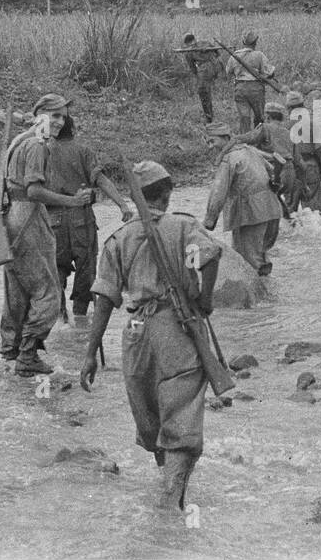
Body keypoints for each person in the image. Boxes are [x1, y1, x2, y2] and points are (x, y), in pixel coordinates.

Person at [79, 160, 222, 512]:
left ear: (135, 197)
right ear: (168, 194)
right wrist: (205, 298)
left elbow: (104, 299)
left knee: (152, 416)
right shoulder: (184, 227)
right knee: (181, 413)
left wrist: (90, 352)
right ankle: (171, 499)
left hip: (136, 334)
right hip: (176, 328)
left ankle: (167, 491)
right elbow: (211, 255)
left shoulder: (119, 238)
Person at [0, 95, 96, 375]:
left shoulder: (18, 141)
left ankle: (11, 349)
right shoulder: (36, 145)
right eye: (54, 116)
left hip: (11, 218)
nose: (60, 122)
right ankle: (28, 355)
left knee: (17, 289)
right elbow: (34, 191)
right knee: (49, 291)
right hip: (28, 218)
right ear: (38, 115)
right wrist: (73, 201)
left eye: (63, 117)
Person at [42, 96, 134, 327]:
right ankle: (81, 319)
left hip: (52, 220)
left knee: (56, 270)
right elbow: (100, 180)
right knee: (86, 270)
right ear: (72, 129)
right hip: (81, 219)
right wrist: (122, 204)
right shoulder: (83, 150)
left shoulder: (42, 150)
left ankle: (60, 319)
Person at [203, 122, 281, 276]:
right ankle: (269, 288)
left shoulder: (229, 159)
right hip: (271, 211)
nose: (210, 147)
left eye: (212, 141)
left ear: (226, 138)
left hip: (249, 215)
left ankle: (258, 291)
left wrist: (209, 220)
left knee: (246, 264)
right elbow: (273, 171)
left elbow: (218, 193)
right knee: (261, 259)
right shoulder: (250, 150)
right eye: (208, 143)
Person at [236, 101, 297, 214]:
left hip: (275, 172)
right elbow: (299, 161)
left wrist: (233, 138)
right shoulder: (289, 133)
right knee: (276, 199)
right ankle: (288, 217)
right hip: (290, 174)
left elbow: (247, 139)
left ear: (267, 116)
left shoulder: (264, 128)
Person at [284, 91, 321, 212]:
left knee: (289, 212)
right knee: (313, 212)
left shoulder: (284, 127)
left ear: (288, 108)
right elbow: (320, 150)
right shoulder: (312, 124)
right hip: (310, 167)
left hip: (290, 169)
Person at [225, 31, 276, 134]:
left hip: (240, 88)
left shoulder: (234, 55)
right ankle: (259, 137)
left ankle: (245, 139)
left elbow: (228, 72)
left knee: (244, 118)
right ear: (255, 43)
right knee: (259, 117)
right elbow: (270, 72)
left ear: (243, 42)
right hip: (256, 89)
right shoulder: (259, 55)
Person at [180, 31, 222, 123]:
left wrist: (199, 76)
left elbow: (193, 68)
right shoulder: (206, 42)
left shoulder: (188, 51)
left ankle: (209, 117)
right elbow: (218, 53)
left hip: (204, 70)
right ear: (194, 39)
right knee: (207, 91)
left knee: (203, 93)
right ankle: (209, 114)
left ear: (186, 43)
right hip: (215, 66)